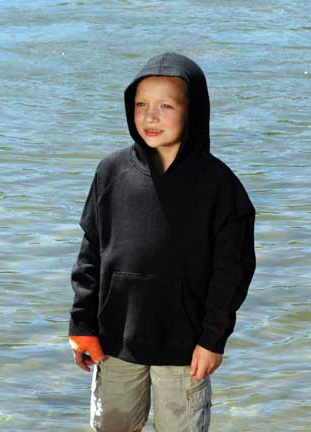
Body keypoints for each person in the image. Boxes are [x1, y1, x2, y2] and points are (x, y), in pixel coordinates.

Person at [68, 52, 256, 432]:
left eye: (165, 106)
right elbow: (90, 255)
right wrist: (82, 324)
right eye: (141, 104)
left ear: (194, 111)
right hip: (117, 340)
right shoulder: (112, 171)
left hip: (186, 347)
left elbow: (232, 271)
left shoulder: (219, 185)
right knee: (113, 426)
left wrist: (213, 338)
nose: (150, 117)